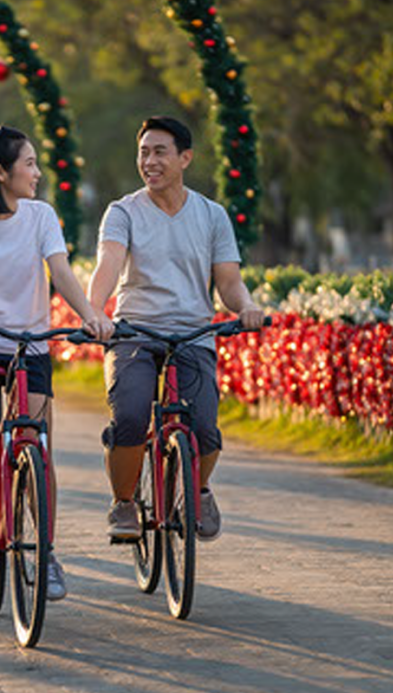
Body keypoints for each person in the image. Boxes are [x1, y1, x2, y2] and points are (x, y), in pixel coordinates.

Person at [0, 125, 113, 600]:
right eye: (29, 164)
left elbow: (62, 274)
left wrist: (92, 317)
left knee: (38, 442)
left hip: (29, 342)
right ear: (0, 171)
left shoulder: (40, 216)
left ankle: (47, 552)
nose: (37, 173)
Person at [87, 116, 264, 543]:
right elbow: (108, 264)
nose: (149, 161)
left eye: (159, 151)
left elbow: (228, 281)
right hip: (134, 333)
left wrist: (247, 306)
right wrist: (94, 311)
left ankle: (199, 490)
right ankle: (125, 502)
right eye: (143, 152)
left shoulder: (212, 215)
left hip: (192, 335)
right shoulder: (123, 212)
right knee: (129, 416)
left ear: (185, 158)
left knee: (204, 428)